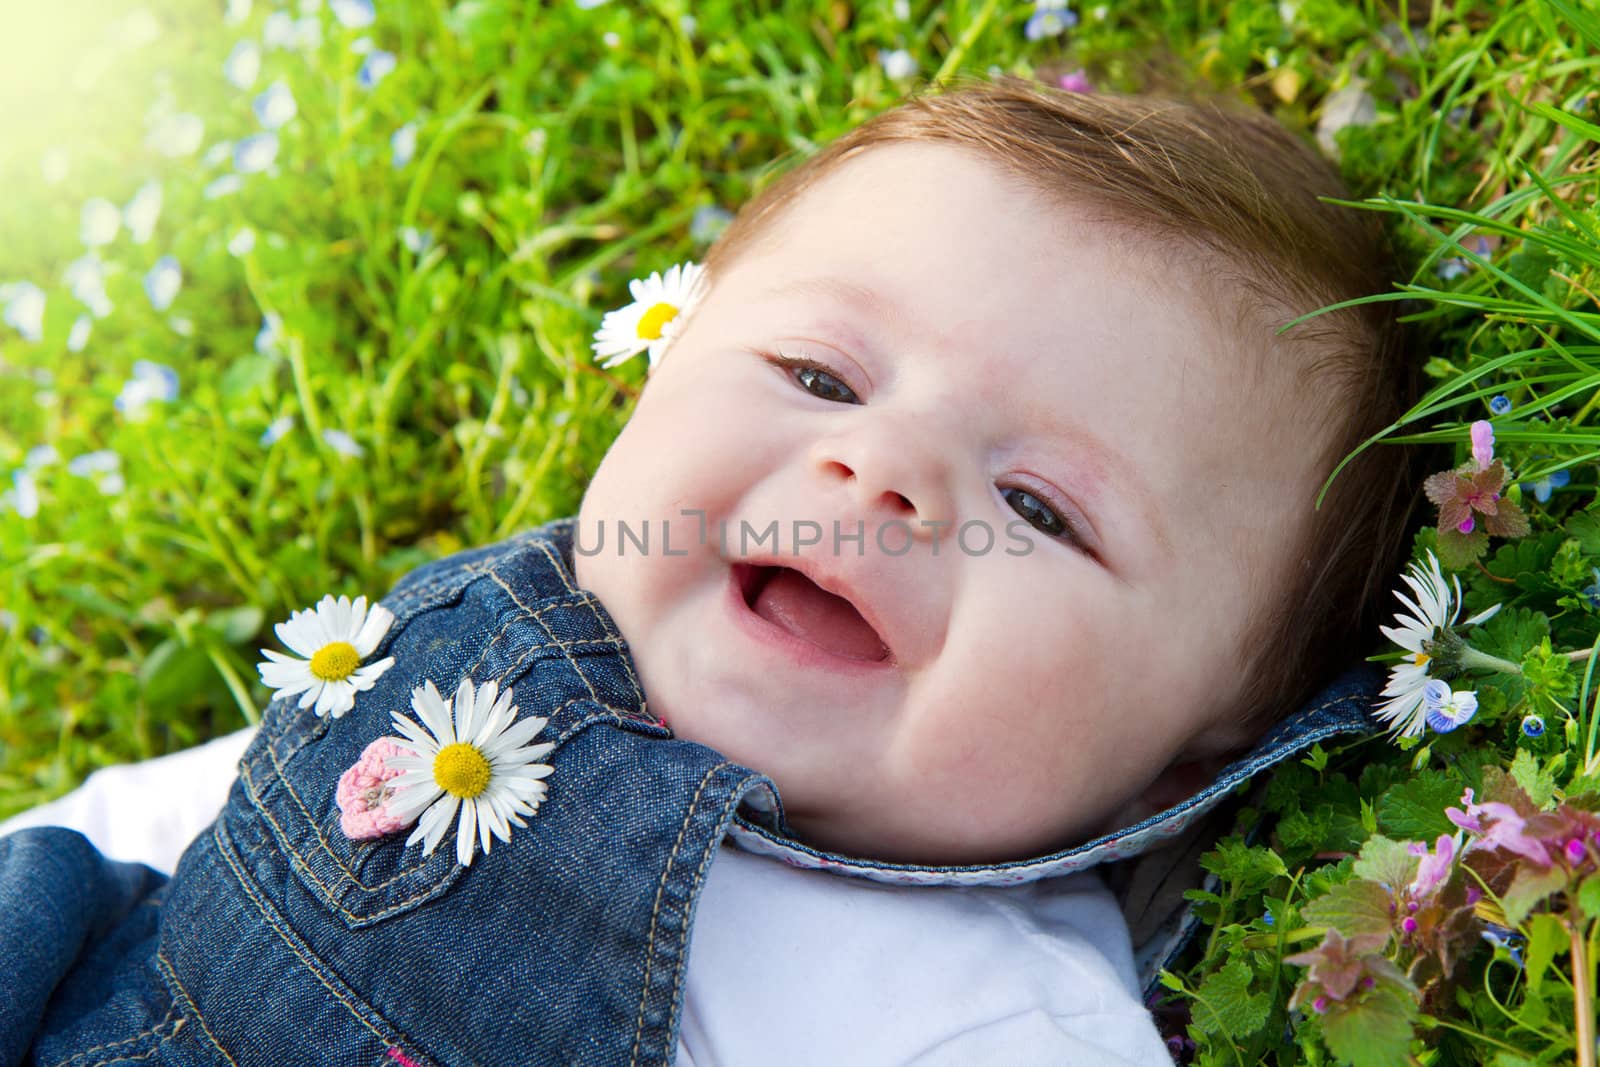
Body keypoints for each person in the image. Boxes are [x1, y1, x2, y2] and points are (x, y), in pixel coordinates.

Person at [0, 76, 1418, 1065]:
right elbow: (168, 821)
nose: (887, 471)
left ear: (1186, 768)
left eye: (1042, 508)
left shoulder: (981, 1018)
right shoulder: (470, 644)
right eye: (817, 372)